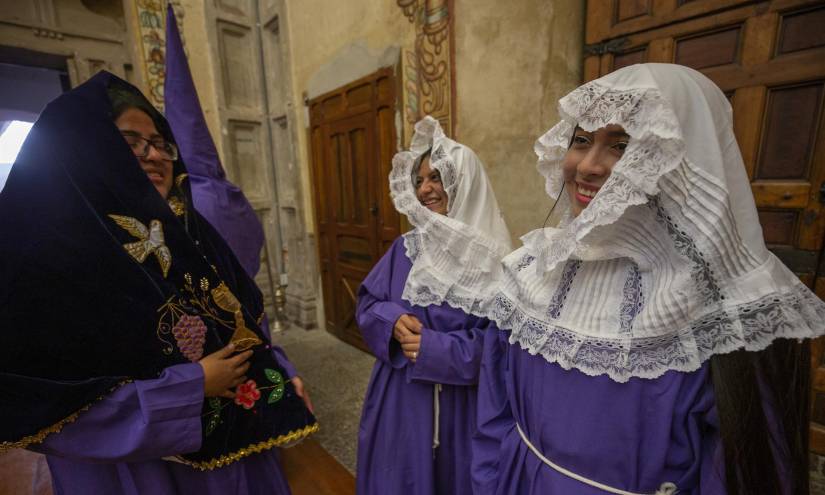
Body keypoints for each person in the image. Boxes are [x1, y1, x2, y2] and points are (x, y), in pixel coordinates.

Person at [422, 63, 819, 494]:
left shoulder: (733, 313)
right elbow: (495, 416)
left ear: (681, 160)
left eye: (623, 145)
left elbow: (748, 475)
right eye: (582, 140)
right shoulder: (531, 275)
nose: (589, 166)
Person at [0, 72, 317, 494]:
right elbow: (37, 403)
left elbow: (243, 324)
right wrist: (189, 388)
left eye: (160, 143)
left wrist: (280, 371)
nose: (154, 155)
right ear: (84, 151)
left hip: (238, 457)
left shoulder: (193, 233)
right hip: (136, 474)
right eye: (131, 142)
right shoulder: (43, 264)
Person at [355, 116, 512, 494]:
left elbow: (505, 349)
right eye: (419, 180)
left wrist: (438, 350)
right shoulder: (404, 249)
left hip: (466, 410)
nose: (425, 189)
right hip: (400, 402)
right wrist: (391, 320)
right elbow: (368, 303)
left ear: (465, 182)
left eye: (436, 177)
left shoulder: (500, 263)